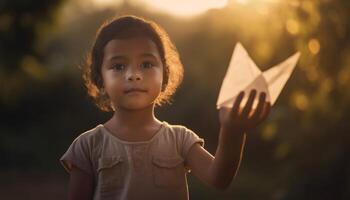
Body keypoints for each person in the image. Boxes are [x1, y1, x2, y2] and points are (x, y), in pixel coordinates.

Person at [60, 15, 271, 200]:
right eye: (118, 66)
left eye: (146, 64)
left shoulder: (181, 140)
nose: (134, 74)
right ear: (100, 80)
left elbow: (220, 179)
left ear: (164, 76)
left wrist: (233, 131)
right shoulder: (87, 146)